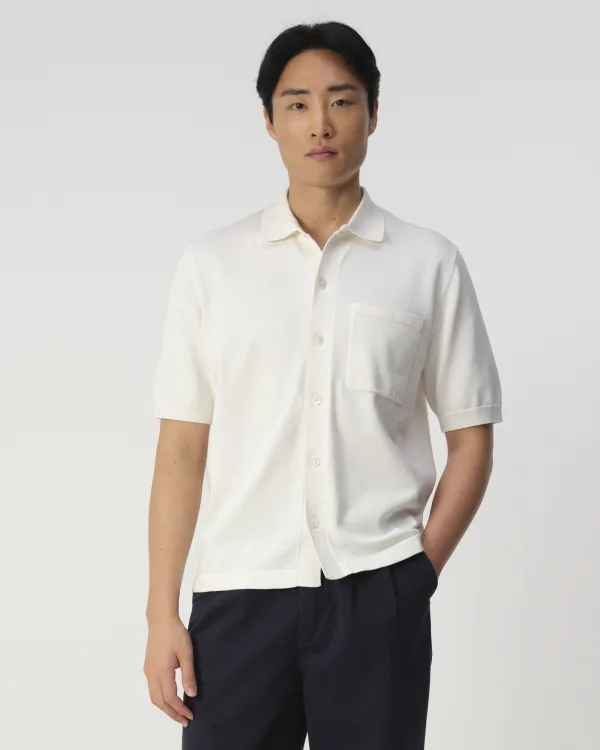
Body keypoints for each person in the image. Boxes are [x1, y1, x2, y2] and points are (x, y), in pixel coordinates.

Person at [143, 20, 503, 750]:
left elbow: (471, 437)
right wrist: (161, 614)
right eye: (298, 103)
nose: (320, 124)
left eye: (341, 101)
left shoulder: (428, 263)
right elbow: (181, 448)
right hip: (238, 597)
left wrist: (416, 575)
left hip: (377, 591)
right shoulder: (212, 266)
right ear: (269, 120)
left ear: (373, 114)